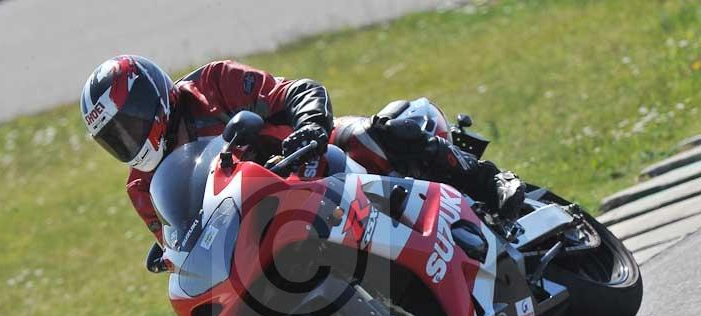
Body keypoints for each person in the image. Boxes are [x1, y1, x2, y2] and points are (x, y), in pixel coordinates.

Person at [80, 55, 523, 245]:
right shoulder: (142, 189)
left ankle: (488, 180)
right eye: (114, 137)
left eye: (130, 123)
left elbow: (295, 91)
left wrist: (309, 125)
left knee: (378, 131)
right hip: (263, 227)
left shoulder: (212, 83)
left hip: (313, 161)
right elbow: (178, 241)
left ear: (152, 98)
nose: (130, 140)